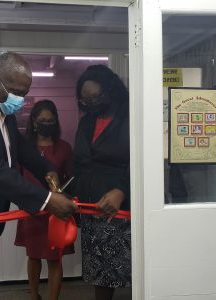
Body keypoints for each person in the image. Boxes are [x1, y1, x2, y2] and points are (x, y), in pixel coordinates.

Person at [0, 52, 77, 300]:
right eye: (15, 91)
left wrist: (47, 170)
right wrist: (47, 200)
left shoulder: (2, 106)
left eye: (24, 93)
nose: (19, 99)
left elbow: (21, 149)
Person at [71, 65, 131, 300]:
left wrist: (122, 190)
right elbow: (79, 163)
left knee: (125, 269)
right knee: (99, 273)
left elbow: (144, 162)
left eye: (96, 96)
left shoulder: (130, 119)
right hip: (89, 209)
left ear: (111, 90)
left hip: (119, 210)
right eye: (86, 100)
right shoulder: (86, 122)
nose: (92, 103)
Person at [14, 99, 74, 300]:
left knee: (54, 259)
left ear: (55, 121)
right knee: (33, 256)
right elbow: (17, 176)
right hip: (31, 210)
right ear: (33, 121)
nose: (46, 123)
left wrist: (62, 194)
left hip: (54, 213)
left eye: (50, 120)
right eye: (42, 120)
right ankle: (34, 295)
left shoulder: (64, 148)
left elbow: (70, 178)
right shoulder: (24, 147)